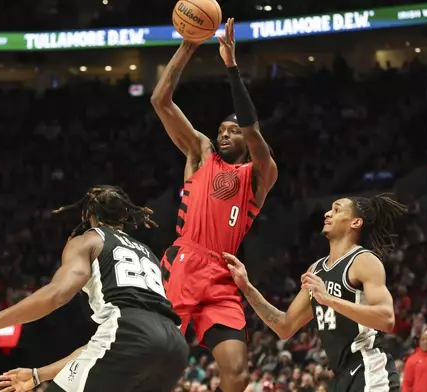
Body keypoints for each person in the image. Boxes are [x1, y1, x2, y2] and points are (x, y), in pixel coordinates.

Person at [0, 185, 189, 392]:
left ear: (88, 215)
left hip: (131, 336)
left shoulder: (89, 239)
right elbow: (104, 347)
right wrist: (38, 375)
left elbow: (57, 294)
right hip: (174, 347)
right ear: (125, 216)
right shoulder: (148, 254)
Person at [150, 18, 278, 392]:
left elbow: (254, 130)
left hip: (222, 275)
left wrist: (232, 68)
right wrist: (190, 44)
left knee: (237, 373)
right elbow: (160, 100)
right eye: (221, 129)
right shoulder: (201, 153)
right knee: (152, 358)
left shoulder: (260, 174)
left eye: (232, 130)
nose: (223, 134)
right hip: (185, 263)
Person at [223, 195, 406, 392]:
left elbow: (386, 319)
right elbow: (285, 326)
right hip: (340, 376)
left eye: (337, 210)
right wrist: (247, 288)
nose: (328, 213)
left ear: (356, 222)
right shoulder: (316, 270)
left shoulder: (364, 261)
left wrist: (329, 299)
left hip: (369, 369)